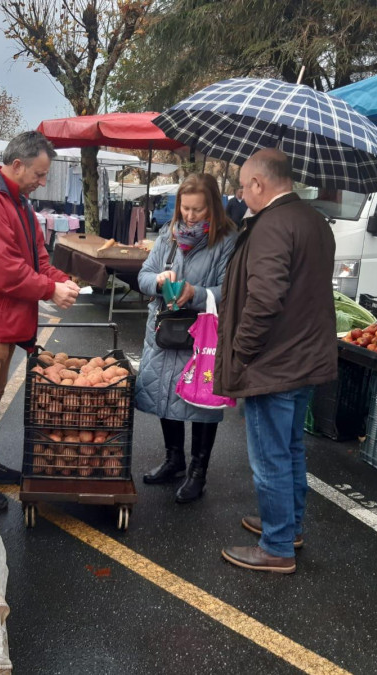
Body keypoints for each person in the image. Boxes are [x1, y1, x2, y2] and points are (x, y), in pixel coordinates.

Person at [215, 149, 337, 574]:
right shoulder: (314, 220)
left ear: (259, 185)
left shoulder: (271, 225)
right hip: (304, 359)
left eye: (244, 185)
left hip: (274, 363)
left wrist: (241, 351)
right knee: (290, 449)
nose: (241, 193)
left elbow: (265, 299)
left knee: (270, 457)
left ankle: (277, 546)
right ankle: (287, 526)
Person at [0, 131, 80, 511]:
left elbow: (36, 261)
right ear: (17, 164)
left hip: (2, 321)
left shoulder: (18, 202)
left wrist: (59, 281)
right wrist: (49, 290)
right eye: (39, 174)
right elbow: (2, 270)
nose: (42, 182)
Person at [135, 174, 237, 503]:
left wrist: (195, 293)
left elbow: (229, 291)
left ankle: (198, 472)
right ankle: (174, 459)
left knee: (201, 399)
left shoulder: (226, 240)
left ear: (213, 208)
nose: (190, 216)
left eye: (198, 209)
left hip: (201, 334)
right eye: (185, 208)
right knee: (165, 393)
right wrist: (158, 281)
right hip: (164, 330)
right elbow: (143, 275)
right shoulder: (168, 234)